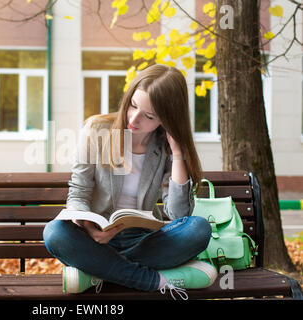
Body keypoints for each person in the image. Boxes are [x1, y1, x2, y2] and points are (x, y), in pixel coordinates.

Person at [42, 64, 216, 299]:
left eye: (149, 115)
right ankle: (156, 280)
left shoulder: (164, 147)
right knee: (54, 233)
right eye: (133, 105)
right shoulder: (96, 129)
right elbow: (78, 193)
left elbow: (178, 214)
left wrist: (177, 155)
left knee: (198, 228)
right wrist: (87, 225)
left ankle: (97, 271)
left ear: (166, 119)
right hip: (94, 239)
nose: (134, 118)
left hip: (143, 240)